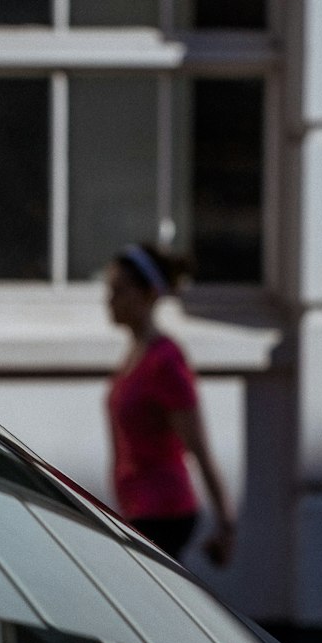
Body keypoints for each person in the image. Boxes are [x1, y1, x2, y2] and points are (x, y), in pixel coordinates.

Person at [105, 242, 235, 564]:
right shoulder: (135, 357)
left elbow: (199, 448)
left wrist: (226, 525)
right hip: (137, 509)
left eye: (119, 291)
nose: (110, 301)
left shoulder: (165, 362)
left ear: (148, 295)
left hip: (163, 512)